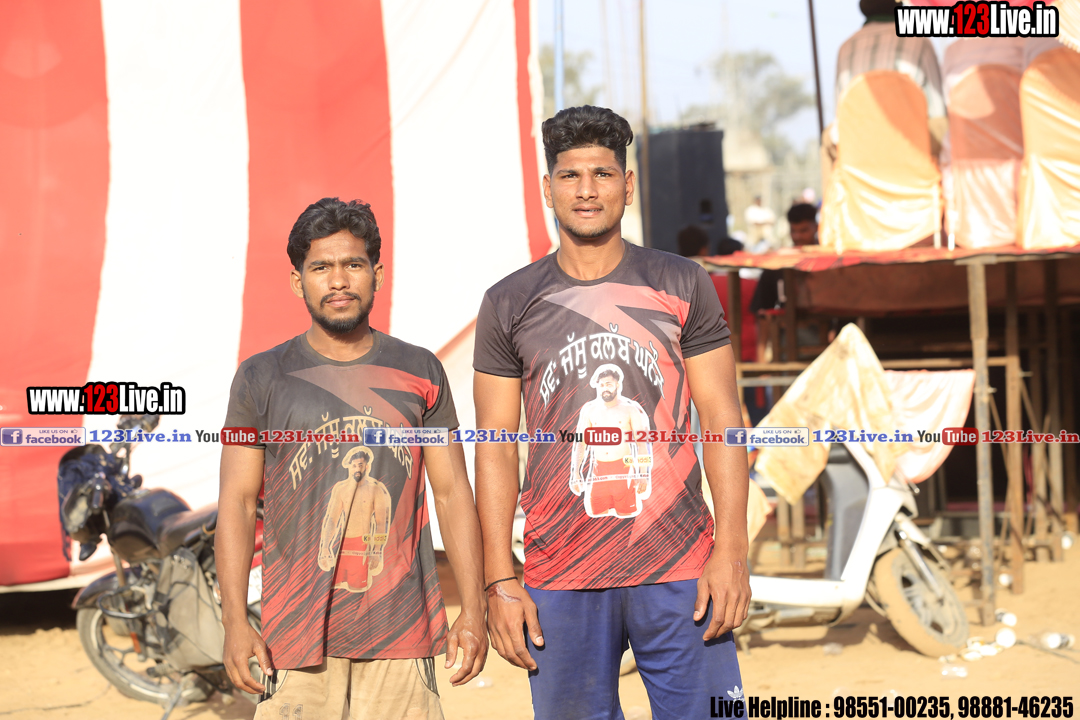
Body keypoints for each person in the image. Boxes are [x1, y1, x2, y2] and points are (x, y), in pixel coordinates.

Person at [473, 105, 750, 720]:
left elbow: (723, 420)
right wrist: (499, 578)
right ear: (547, 189)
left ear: (627, 185)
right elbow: (494, 446)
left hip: (678, 564)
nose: (587, 190)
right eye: (570, 176)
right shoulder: (508, 302)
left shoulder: (681, 283)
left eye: (602, 173)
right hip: (560, 572)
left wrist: (731, 548)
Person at [216, 198, 487, 720]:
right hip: (293, 636)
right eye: (320, 267)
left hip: (400, 630)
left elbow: (452, 493)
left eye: (353, 264)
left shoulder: (420, 370)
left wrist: (473, 607)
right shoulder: (261, 377)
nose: (338, 281)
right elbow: (238, 501)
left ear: (376, 275)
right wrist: (233, 620)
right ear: (297, 281)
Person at [829, 0, 947, 161]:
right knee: (942, 127)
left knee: (827, 138)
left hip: (861, 159)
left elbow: (841, 115)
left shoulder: (845, 48)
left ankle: (839, 178)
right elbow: (939, 115)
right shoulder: (920, 42)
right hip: (910, 156)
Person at [569, 364, 652, 518]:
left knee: (626, 520)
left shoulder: (630, 409)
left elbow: (642, 444)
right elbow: (580, 443)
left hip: (624, 471)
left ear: (618, 385)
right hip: (598, 472)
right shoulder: (589, 410)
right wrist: (575, 473)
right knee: (597, 520)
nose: (605, 388)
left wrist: (643, 474)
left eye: (608, 384)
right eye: (601, 385)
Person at [317, 446, 391, 593]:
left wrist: (377, 551)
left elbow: (381, 523)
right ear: (349, 467)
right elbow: (332, 520)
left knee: (357, 592)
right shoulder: (341, 489)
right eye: (354, 465)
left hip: (361, 546)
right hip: (341, 546)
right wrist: (325, 548)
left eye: (360, 465)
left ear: (367, 466)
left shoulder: (376, 490)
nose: (357, 468)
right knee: (335, 592)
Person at [750, 202, 818, 314]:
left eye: (804, 230)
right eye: (793, 231)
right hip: (788, 322)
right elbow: (761, 309)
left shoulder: (830, 262)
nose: (797, 237)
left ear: (816, 227)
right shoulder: (778, 265)